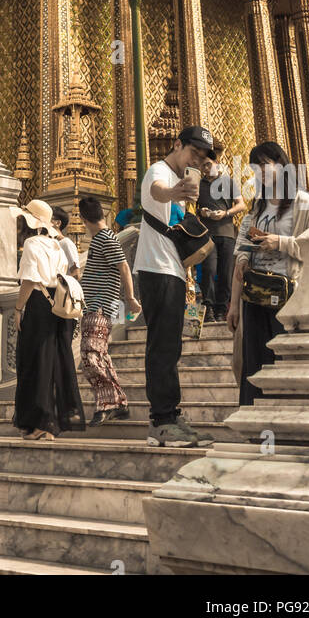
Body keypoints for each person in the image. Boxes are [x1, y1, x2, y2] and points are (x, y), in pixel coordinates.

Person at [134, 125, 217, 448]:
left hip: (172, 270)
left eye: (201, 156)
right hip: (156, 269)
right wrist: (173, 193)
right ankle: (162, 420)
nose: (195, 160)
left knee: (171, 345)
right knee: (162, 346)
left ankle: (171, 414)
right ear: (177, 144)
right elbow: (156, 191)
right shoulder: (160, 171)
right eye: (193, 153)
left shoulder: (185, 177)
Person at [227, 141, 309, 405]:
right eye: (253, 167)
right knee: (255, 361)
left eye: (263, 165)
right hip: (255, 295)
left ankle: (287, 414)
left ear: (281, 165)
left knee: (285, 358)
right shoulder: (257, 207)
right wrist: (234, 304)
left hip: (289, 295)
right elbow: (241, 255)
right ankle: (255, 416)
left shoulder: (303, 202)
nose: (258, 171)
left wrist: (280, 242)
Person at [13, 197, 85, 440]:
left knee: (35, 363)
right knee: (55, 363)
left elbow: (30, 281)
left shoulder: (33, 243)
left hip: (38, 305)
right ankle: (50, 421)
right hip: (57, 305)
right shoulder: (56, 244)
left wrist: (17, 308)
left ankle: (42, 423)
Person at [78, 194, 140, 424]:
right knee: (99, 354)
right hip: (96, 305)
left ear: (84, 219)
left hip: (101, 306)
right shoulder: (101, 239)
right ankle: (115, 403)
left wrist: (131, 298)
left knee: (89, 354)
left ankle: (110, 402)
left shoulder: (105, 238)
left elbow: (123, 266)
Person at [197, 140, 245, 322]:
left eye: (208, 164)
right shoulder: (198, 184)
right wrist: (201, 211)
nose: (205, 169)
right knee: (208, 269)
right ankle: (208, 306)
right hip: (207, 234)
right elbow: (191, 208)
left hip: (227, 233)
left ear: (216, 164)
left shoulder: (228, 181)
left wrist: (225, 213)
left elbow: (241, 205)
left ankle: (221, 308)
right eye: (202, 166)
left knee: (225, 273)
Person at [51, 206, 80, 277]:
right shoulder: (48, 243)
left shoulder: (65, 243)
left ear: (58, 223)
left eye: (48, 219)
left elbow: (76, 273)